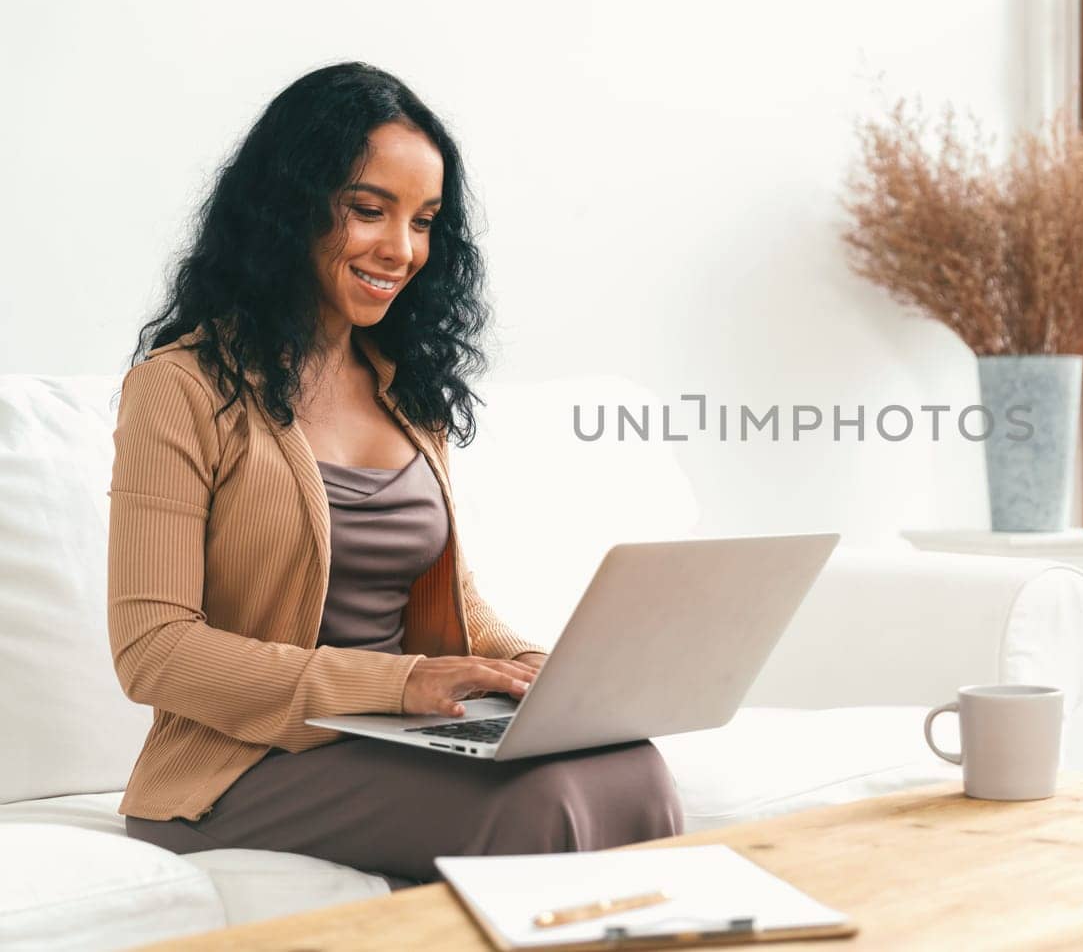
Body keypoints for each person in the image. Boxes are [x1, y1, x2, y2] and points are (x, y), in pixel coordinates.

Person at [110, 61, 683, 889]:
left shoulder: (406, 387)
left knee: (634, 765)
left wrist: (534, 666)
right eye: (368, 210)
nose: (403, 249)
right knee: (541, 799)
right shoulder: (181, 387)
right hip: (240, 769)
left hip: (394, 735)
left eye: (424, 221)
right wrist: (404, 682)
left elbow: (447, 595)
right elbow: (154, 652)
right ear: (289, 206)